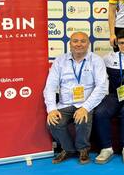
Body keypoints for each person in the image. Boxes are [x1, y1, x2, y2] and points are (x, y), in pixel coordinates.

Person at [43, 32, 108, 165]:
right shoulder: (60, 61)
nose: (79, 44)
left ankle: (83, 149)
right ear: (70, 44)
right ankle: (68, 149)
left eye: (83, 41)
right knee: (53, 122)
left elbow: (102, 87)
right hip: (65, 104)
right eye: (75, 41)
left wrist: (85, 108)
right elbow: (50, 86)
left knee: (82, 118)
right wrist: (52, 109)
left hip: (86, 102)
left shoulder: (96, 60)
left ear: (88, 44)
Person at [93, 29, 124, 164]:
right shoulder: (108, 58)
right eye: (121, 42)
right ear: (117, 43)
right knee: (100, 112)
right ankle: (106, 148)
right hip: (114, 95)